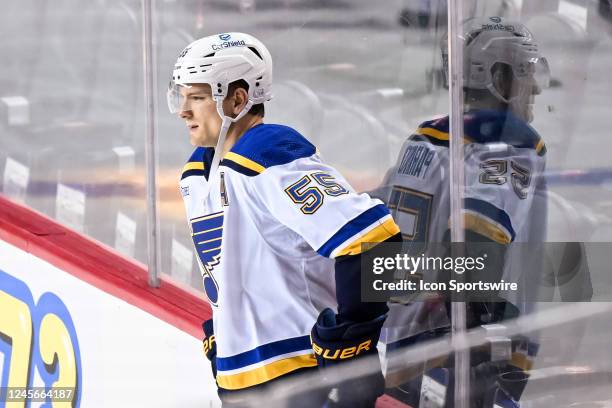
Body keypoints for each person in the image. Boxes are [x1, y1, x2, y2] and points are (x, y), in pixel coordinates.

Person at [167, 32, 401, 407]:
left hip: (302, 376)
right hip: (244, 381)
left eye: (196, 97)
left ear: (238, 99)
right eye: (181, 96)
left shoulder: (268, 153)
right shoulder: (197, 173)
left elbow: (372, 239)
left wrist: (352, 344)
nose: (184, 110)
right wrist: (227, 330)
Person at [374, 17, 556, 407]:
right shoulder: (508, 141)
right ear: (499, 78)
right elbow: (474, 243)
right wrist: (476, 346)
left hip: (397, 343)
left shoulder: (424, 136)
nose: (535, 89)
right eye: (524, 74)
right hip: (448, 355)